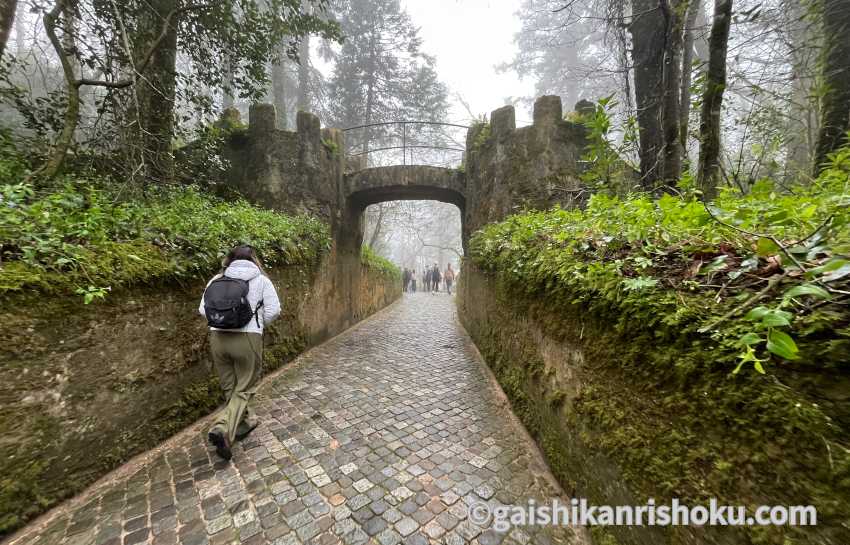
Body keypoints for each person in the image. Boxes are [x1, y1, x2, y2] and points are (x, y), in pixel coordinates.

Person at [199, 245, 281, 461]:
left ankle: (242, 425)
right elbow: (274, 310)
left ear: (230, 260)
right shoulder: (261, 280)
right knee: (244, 388)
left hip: (218, 338)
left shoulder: (216, 280)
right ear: (254, 260)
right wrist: (257, 324)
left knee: (230, 386)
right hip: (247, 338)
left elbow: (202, 309)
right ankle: (222, 427)